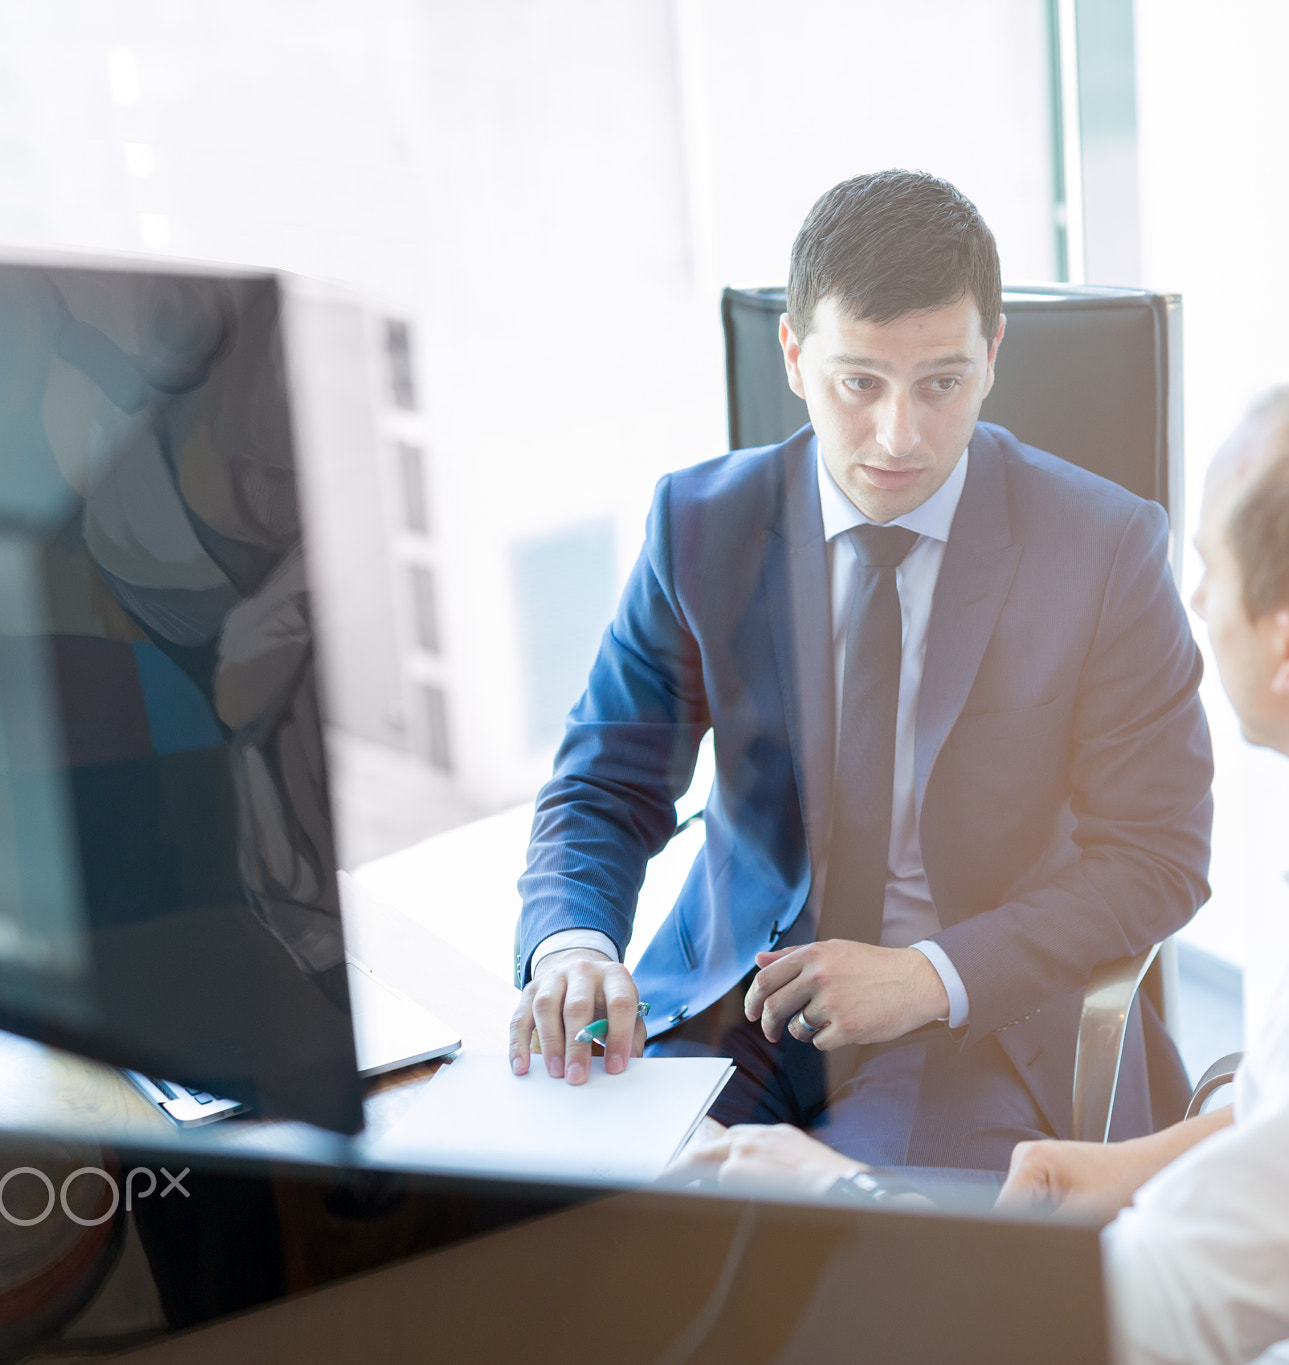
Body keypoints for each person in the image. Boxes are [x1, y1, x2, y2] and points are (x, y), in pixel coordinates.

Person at [681, 378, 1289, 1364]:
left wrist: (831, 1195)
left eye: (1210, 573)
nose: (1190, 601)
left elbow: (1108, 1325)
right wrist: (1130, 1166)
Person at [509, 169, 1213, 1172]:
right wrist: (572, 946)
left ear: (991, 354)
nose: (899, 437)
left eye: (940, 383)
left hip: (967, 1027)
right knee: (601, 1245)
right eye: (858, 383)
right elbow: (602, 782)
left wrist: (927, 975)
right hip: (728, 1004)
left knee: (879, 1289)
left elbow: (1157, 855)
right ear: (793, 357)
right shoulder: (699, 526)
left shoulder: (1103, 549)